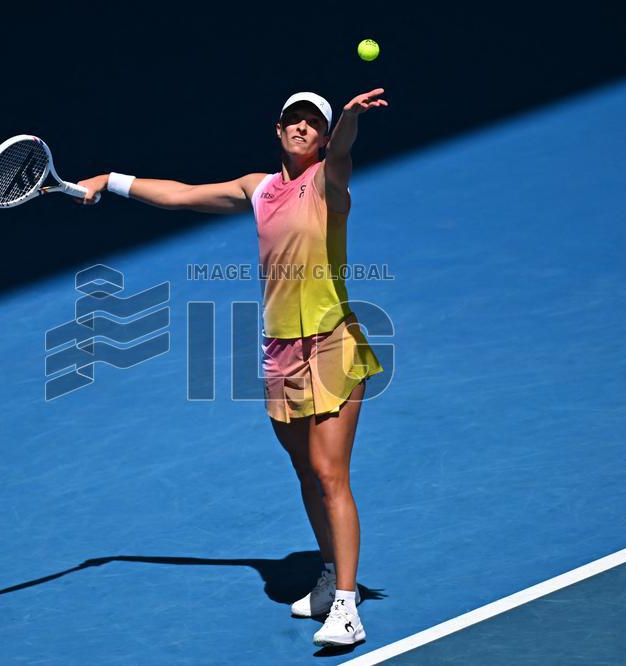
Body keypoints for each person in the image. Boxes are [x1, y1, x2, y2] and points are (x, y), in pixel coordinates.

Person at [74, 88, 389, 647]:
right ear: (278, 129)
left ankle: (347, 604)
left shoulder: (327, 183)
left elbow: (341, 153)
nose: (302, 129)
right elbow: (179, 197)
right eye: (294, 121)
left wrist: (347, 120)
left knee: (330, 471)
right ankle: (327, 572)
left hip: (332, 343)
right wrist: (110, 180)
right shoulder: (258, 187)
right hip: (279, 351)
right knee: (306, 475)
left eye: (313, 124)